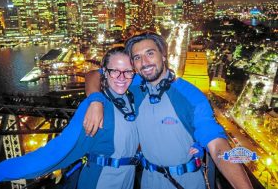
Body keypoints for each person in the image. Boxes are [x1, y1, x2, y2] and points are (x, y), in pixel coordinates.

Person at [83, 32, 253, 189]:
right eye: (137, 57)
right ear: (133, 64)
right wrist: (95, 101)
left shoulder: (189, 95)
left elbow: (217, 145)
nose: (145, 62)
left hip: (186, 182)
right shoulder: (134, 84)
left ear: (163, 55)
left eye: (150, 53)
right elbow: (94, 75)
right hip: (148, 181)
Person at [0, 47, 140, 189]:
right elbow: (52, 155)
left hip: (126, 180)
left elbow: (96, 74)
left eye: (127, 71)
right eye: (114, 71)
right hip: (100, 182)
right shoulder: (93, 109)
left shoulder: (129, 97)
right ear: (105, 72)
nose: (121, 77)